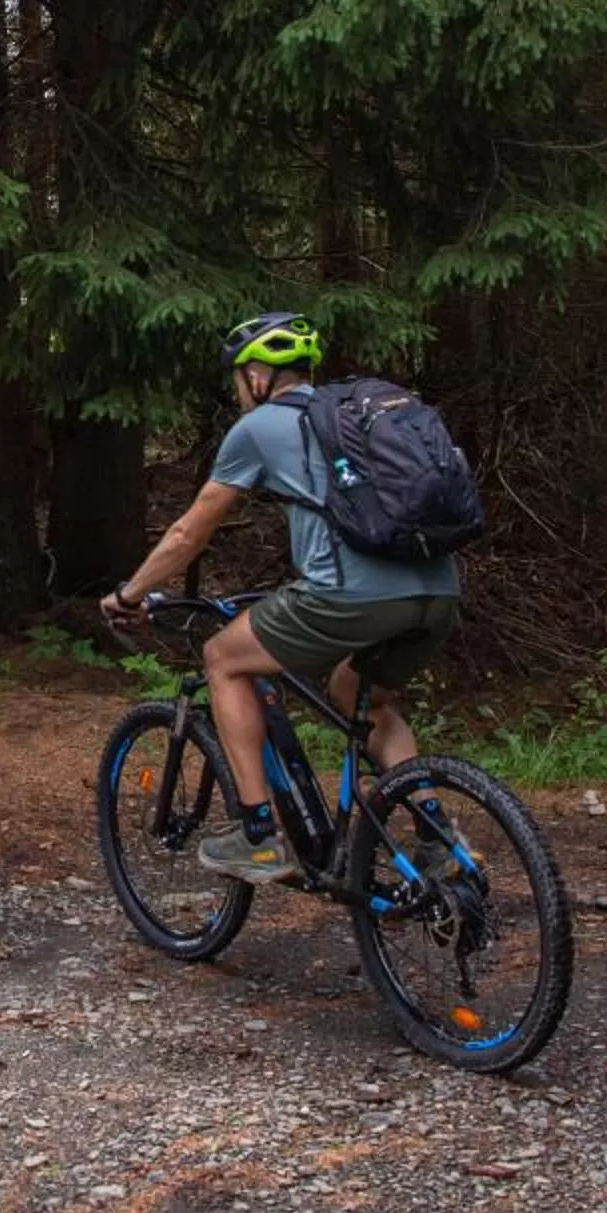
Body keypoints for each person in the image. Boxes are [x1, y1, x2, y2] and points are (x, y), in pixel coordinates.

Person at [99, 311, 462, 882]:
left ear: (261, 375)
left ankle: (257, 836)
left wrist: (131, 592)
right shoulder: (351, 418)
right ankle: (438, 840)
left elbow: (189, 532)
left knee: (223, 658)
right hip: (437, 588)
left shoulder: (260, 426)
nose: (238, 390)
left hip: (346, 595)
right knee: (361, 696)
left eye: (239, 376)